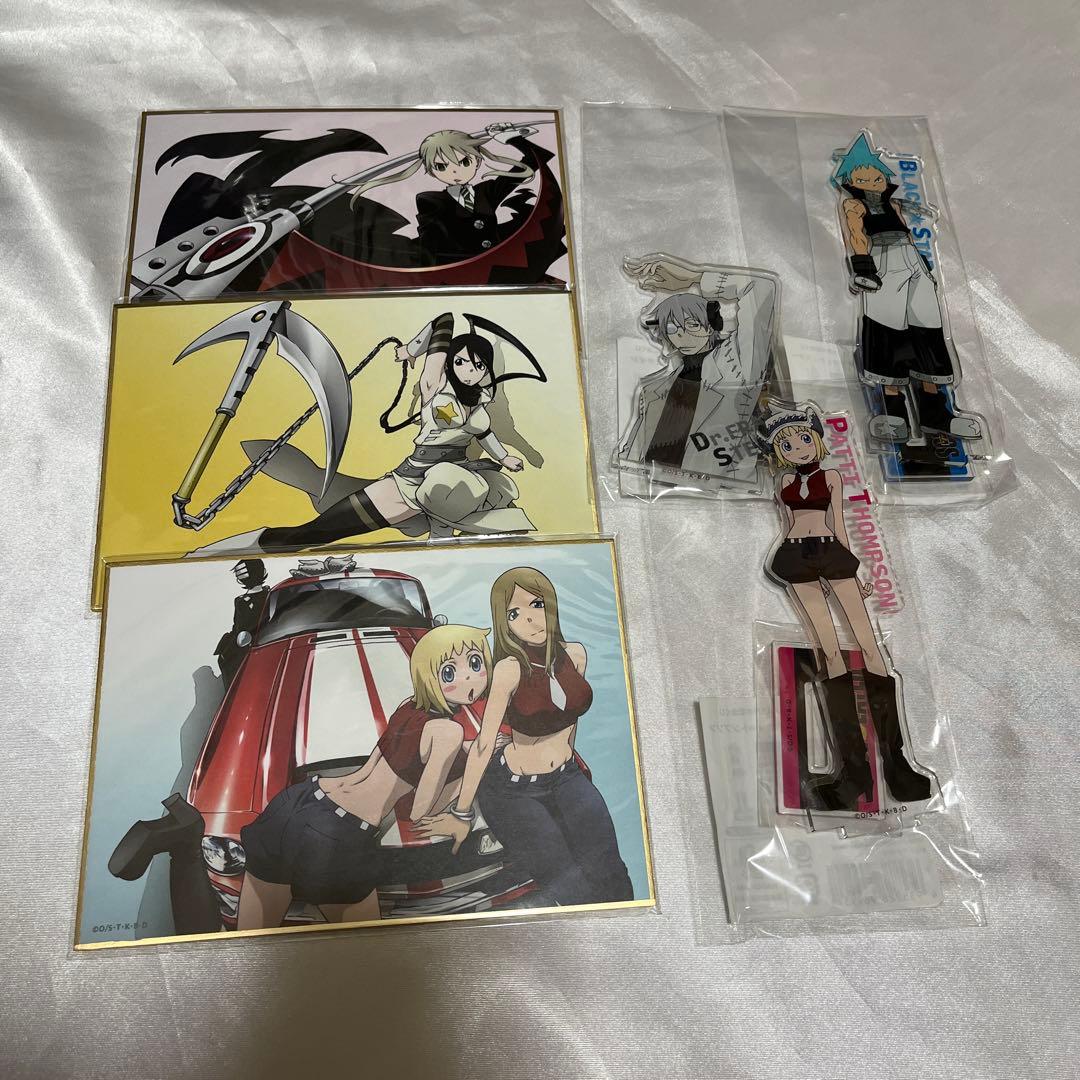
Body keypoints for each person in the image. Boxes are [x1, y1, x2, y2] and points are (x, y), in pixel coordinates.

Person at [108, 624, 494, 933]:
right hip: (339, 835)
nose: (469, 678)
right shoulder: (449, 733)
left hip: (300, 800)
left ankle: (185, 839)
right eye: (451, 671)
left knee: (251, 941)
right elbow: (421, 810)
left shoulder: (409, 707)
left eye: (476, 663)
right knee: (367, 957)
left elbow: (393, 758)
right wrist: (468, 777)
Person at [194, 312, 535, 554]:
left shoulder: (480, 402)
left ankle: (440, 534)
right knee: (311, 535)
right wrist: (411, 350)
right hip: (409, 482)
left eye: (478, 365)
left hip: (452, 479)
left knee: (463, 495)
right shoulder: (434, 385)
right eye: (461, 362)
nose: (469, 370)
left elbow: (485, 435)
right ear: (450, 363)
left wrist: (504, 456)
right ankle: (218, 551)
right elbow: (443, 320)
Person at [417, 568, 633, 906]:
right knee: (568, 885)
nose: (529, 620)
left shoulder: (576, 655)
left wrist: (569, 768)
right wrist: (461, 814)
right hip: (512, 790)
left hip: (566, 777)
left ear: (551, 604)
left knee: (612, 874)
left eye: (536, 604)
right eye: (514, 614)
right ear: (506, 625)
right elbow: (484, 745)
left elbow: (569, 720)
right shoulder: (509, 669)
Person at [761, 403, 932, 807]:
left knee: (869, 646)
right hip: (795, 555)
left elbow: (838, 523)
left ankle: (897, 765)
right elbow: (786, 523)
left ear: (817, 439)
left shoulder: (832, 476)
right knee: (829, 654)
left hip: (830, 551)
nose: (798, 447)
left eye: (804, 438)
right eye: (787, 443)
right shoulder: (783, 480)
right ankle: (854, 773)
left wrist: (852, 572)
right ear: (778, 451)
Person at [832, 131, 981, 445]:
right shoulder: (853, 205)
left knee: (927, 329)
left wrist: (923, 266)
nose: (870, 182)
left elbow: (907, 232)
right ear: (849, 180)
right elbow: (856, 236)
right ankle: (894, 413)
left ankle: (936, 413)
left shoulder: (892, 203)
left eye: (875, 176)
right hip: (882, 260)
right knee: (887, 331)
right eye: (862, 177)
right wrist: (863, 267)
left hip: (910, 258)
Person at [618, 255, 777, 489]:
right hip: (654, 491)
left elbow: (760, 288)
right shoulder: (656, 389)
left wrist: (695, 277)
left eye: (692, 325)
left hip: (717, 494)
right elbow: (633, 455)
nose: (682, 335)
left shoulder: (734, 365)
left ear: (711, 326)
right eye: (672, 328)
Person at [349, 123, 551, 266]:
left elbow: (539, 158)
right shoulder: (431, 201)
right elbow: (431, 245)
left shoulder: (487, 191)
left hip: (500, 264)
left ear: (477, 161)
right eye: (441, 166)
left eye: (464, 162)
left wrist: (512, 139)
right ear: (430, 171)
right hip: (462, 272)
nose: (455, 171)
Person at [212, 559, 268, 689]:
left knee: (227, 661)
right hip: (248, 639)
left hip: (249, 641)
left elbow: (239, 626)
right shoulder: (267, 594)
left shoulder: (242, 601)